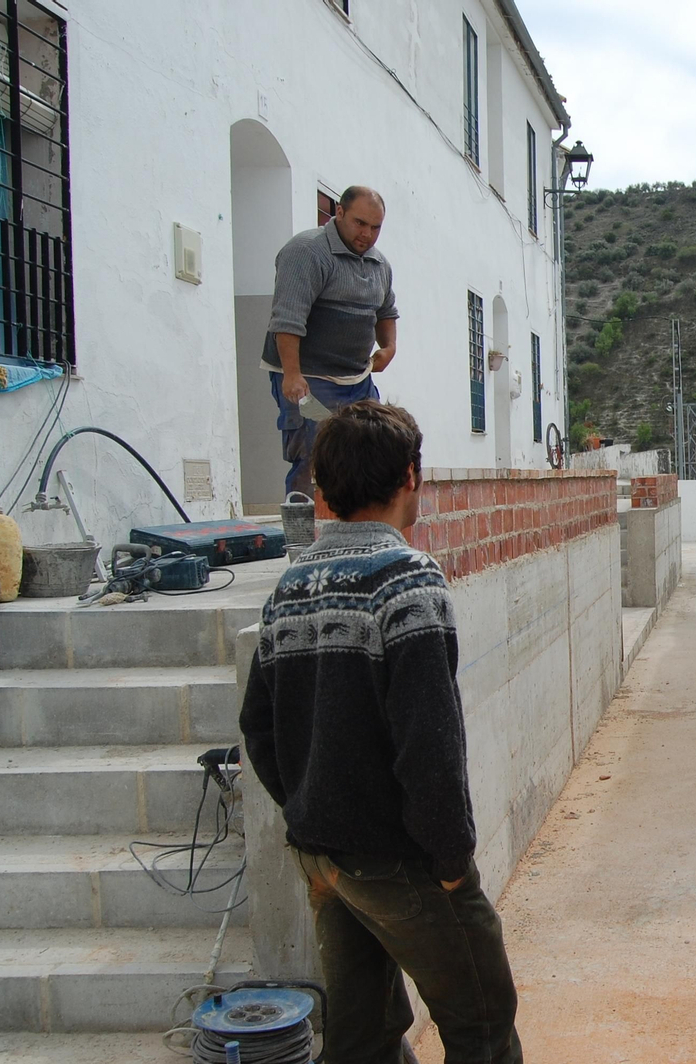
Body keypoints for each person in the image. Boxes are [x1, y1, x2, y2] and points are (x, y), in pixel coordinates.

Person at [239, 401, 520, 1064]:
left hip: (325, 860)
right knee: (482, 1023)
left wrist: (308, 819)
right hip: (398, 861)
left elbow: (258, 726)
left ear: (325, 488)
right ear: (410, 478)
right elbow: (430, 743)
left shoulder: (289, 588)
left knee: (360, 1036)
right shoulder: (408, 581)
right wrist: (451, 863)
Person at [262, 185, 399, 498]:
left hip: (357, 379)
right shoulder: (307, 251)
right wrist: (292, 375)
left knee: (371, 451)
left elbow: (386, 311)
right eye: (359, 223)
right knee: (315, 457)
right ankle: (302, 540)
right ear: (339, 212)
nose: (367, 234)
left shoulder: (380, 265)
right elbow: (287, 319)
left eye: (375, 227)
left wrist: (389, 348)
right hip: (310, 380)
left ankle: (360, 535)